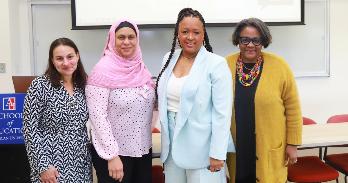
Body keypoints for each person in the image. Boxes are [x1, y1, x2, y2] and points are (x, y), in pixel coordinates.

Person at [156, 8, 234, 183]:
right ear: (177, 33)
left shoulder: (216, 64)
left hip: (203, 151)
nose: (190, 37)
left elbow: (222, 114)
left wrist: (217, 153)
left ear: (203, 34)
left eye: (196, 32)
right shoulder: (168, 58)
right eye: (185, 32)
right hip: (172, 150)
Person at [225, 17, 303, 183]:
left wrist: (293, 144)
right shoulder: (225, 65)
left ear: (264, 41)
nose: (250, 45)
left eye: (256, 40)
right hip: (238, 144)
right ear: (237, 41)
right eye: (245, 40)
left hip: (268, 144)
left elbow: (293, 108)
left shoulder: (280, 66)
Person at [86, 20, 154, 183]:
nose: (126, 42)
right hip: (115, 155)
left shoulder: (141, 69)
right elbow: (98, 117)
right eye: (121, 37)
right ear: (112, 40)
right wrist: (111, 155)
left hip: (142, 151)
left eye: (131, 37)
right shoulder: (101, 72)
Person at [23, 37, 92, 182]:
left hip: (80, 163)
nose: (66, 63)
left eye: (70, 57)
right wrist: (42, 166)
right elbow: (30, 130)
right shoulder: (40, 85)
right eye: (59, 58)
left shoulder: (84, 84)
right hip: (51, 166)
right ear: (52, 61)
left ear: (77, 56)